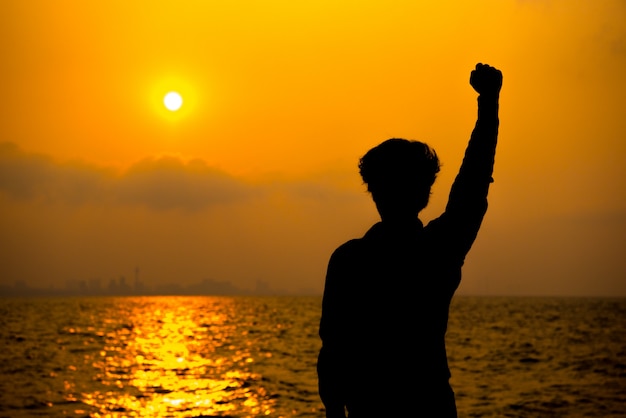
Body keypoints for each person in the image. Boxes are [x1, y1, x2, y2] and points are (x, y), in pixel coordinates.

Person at [317, 63, 502, 417]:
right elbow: (473, 183)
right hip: (428, 403)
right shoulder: (438, 250)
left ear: (373, 190)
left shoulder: (349, 259)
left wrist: (333, 411)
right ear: (426, 191)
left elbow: (333, 350)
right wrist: (489, 102)